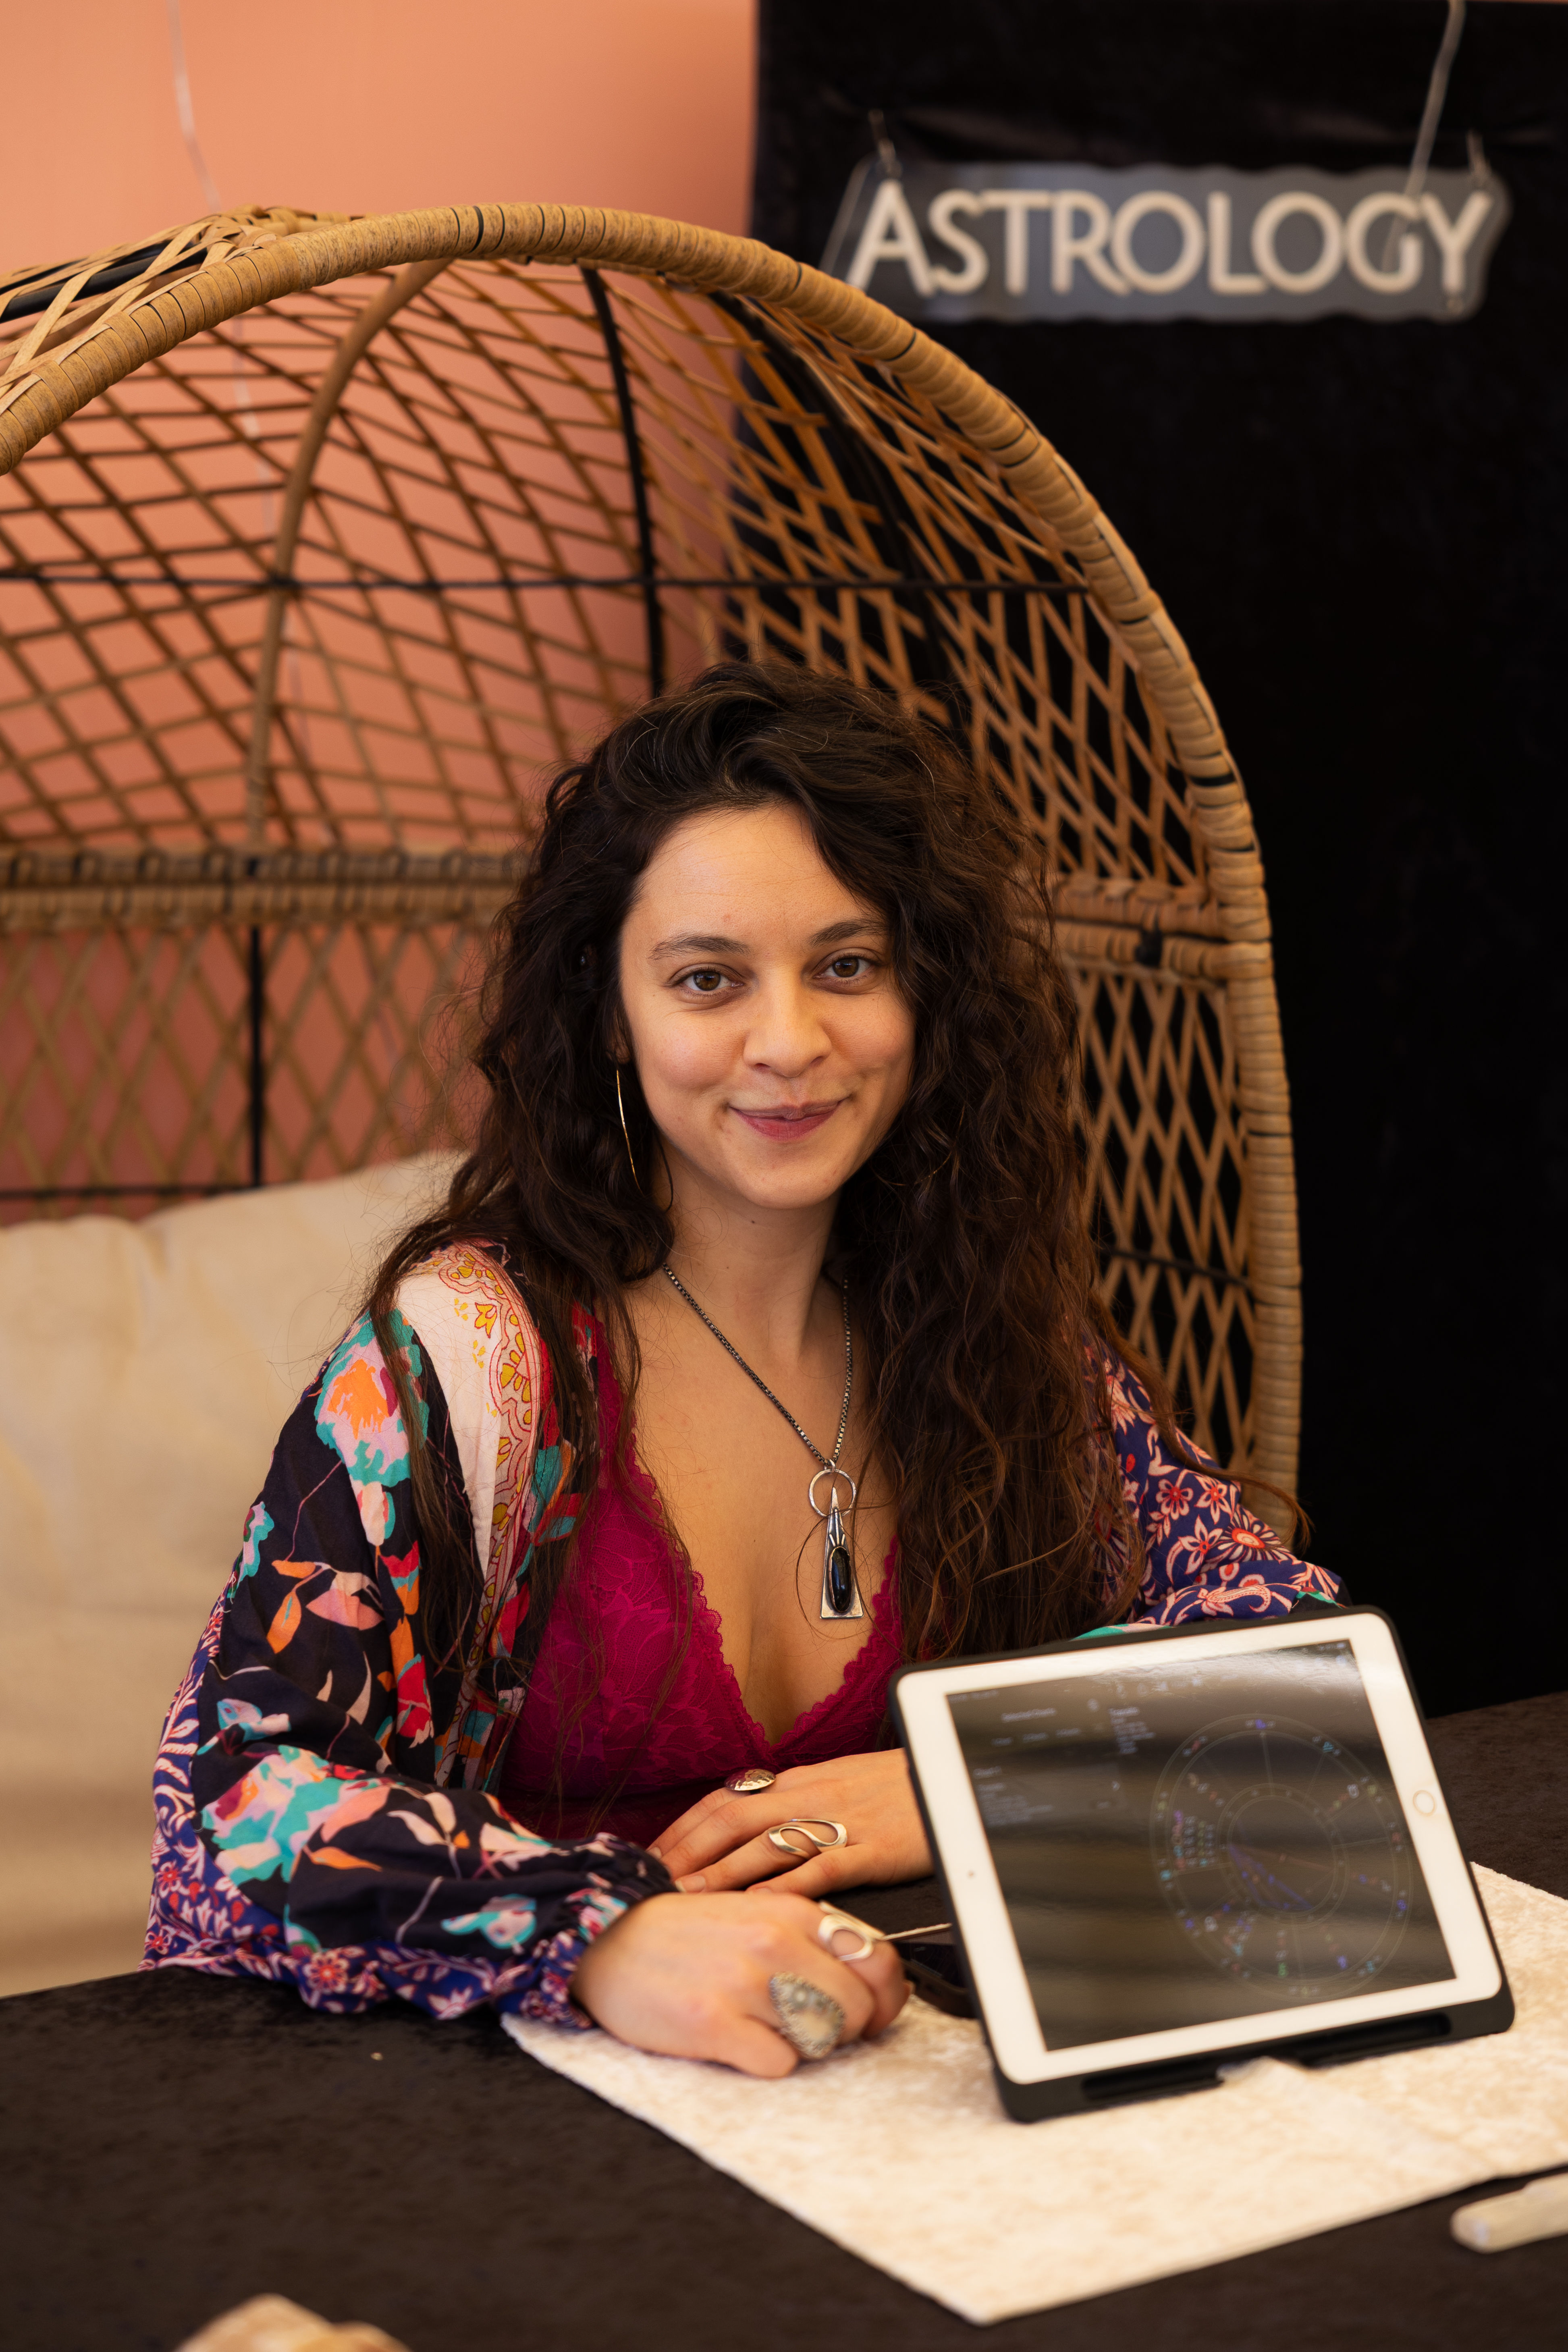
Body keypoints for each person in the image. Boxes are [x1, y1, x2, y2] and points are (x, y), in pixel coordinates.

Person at [146, 661, 1338, 2075]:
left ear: (924, 994)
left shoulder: (992, 1331)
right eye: (708, 979)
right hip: (551, 2107)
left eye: (847, 965)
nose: (791, 1043)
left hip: (925, 2087)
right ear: (610, 1013)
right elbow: (230, 1808)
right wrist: (593, 1934)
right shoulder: (467, 1361)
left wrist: (961, 1782)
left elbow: (1296, 1666)